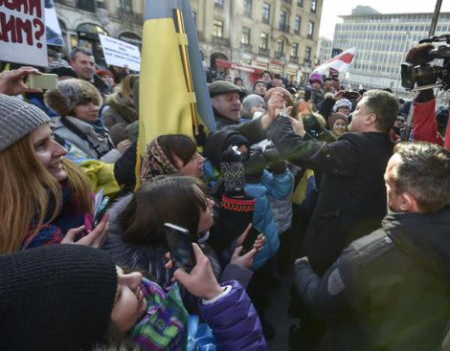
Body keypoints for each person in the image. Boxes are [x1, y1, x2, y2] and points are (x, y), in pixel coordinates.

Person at [293, 141, 450, 351]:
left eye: (387, 183)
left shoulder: (364, 257)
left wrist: (302, 268)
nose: (383, 187)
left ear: (405, 202)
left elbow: (322, 302)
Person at [0, 243, 268, 351]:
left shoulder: (159, 305)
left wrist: (214, 295)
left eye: (121, 273)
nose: (137, 278)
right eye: (118, 294)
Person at [268, 89, 398, 275]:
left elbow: (294, 150)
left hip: (332, 247)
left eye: (358, 110)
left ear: (370, 118)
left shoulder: (357, 147)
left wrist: (280, 118)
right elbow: (330, 159)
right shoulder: (384, 147)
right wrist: (304, 134)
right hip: (357, 245)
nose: (352, 113)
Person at [104, 176, 262, 304]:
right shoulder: (172, 281)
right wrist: (235, 271)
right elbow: (211, 314)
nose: (212, 203)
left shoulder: (179, 243)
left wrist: (233, 250)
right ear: (185, 220)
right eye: (204, 205)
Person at [0, 94, 108, 253]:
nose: (62, 150)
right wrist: (67, 266)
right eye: (39, 146)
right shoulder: (25, 237)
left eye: (52, 136)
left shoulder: (73, 193)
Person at [45, 78, 131, 163]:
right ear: (68, 108)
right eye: (84, 104)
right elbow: (86, 170)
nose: (94, 108)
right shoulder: (62, 137)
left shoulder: (98, 127)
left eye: (94, 103)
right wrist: (117, 153)